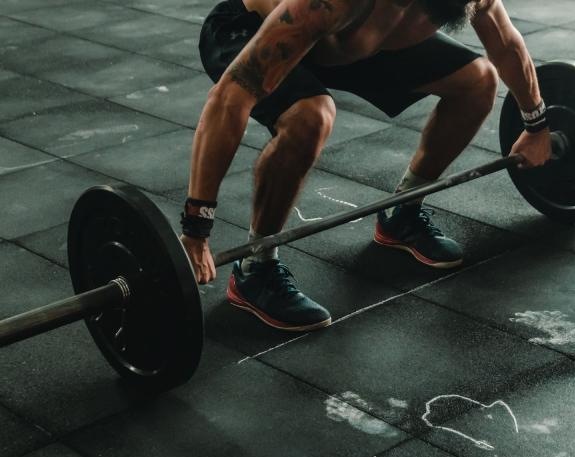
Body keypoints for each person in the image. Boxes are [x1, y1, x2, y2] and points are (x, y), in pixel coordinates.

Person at [181, 0, 552, 332]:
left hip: (351, 47)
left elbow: (505, 45)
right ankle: (256, 268)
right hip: (251, 28)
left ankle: (402, 215)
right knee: (311, 116)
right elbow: (229, 99)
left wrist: (535, 124)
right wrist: (197, 226)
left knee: (478, 81)